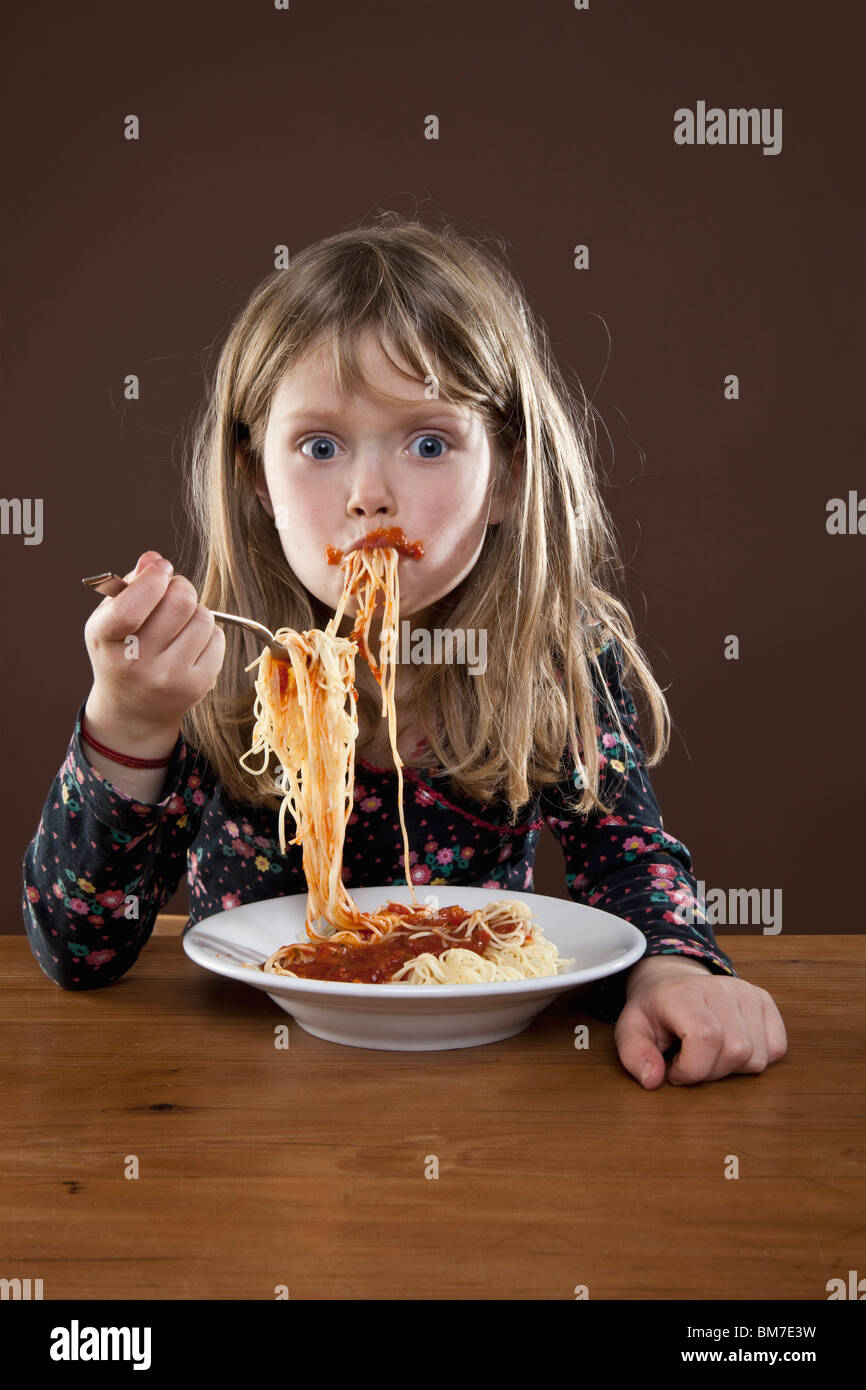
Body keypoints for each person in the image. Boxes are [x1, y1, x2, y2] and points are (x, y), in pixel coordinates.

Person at [21, 213, 787, 1088]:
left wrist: (674, 969)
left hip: (495, 1084)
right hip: (248, 1085)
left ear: (503, 475)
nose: (369, 496)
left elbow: (627, 859)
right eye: (319, 445)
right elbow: (80, 950)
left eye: (428, 443)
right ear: (256, 480)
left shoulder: (554, 656)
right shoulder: (213, 670)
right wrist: (129, 718)